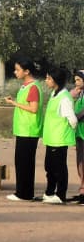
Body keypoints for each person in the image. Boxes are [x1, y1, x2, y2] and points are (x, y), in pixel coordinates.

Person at [4, 58, 45, 202]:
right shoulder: (25, 86)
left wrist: (14, 103)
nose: (15, 72)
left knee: (25, 163)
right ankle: (23, 192)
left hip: (29, 130)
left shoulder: (33, 87)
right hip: (23, 130)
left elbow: (33, 108)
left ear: (27, 71)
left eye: (18, 70)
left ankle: (24, 194)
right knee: (21, 162)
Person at [39, 67, 78, 205]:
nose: (46, 80)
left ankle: (61, 194)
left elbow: (72, 120)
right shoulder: (54, 94)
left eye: (48, 78)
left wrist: (68, 131)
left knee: (59, 168)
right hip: (52, 138)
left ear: (56, 80)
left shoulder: (64, 98)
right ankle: (49, 192)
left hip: (60, 139)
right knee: (49, 167)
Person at [71, 70, 84, 204]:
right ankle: (82, 190)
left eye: (79, 80)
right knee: (79, 163)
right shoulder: (80, 95)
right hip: (79, 134)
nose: (76, 83)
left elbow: (81, 114)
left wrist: (71, 118)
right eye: (75, 80)